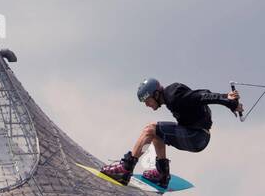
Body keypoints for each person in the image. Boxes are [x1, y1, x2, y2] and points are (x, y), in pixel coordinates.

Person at [100, 78, 243, 187]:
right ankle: (162, 174)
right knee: (157, 133)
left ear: (156, 94)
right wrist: (226, 96)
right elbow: (202, 93)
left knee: (149, 130)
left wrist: (228, 102)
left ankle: (125, 168)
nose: (146, 105)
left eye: (147, 100)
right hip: (197, 135)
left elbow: (201, 96)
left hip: (196, 136)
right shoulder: (172, 95)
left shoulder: (173, 96)